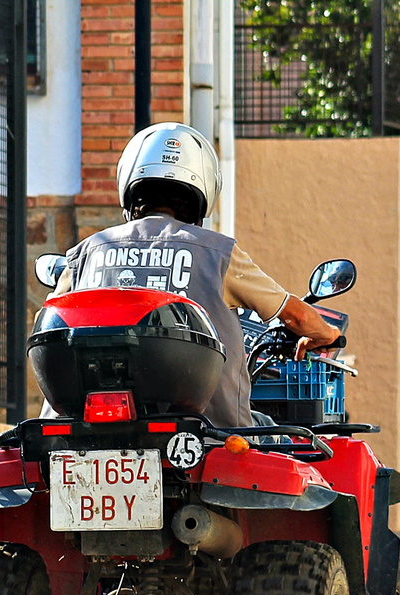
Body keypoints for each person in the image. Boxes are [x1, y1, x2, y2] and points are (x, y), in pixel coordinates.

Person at [47, 122, 342, 427]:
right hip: (211, 430)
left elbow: (49, 329)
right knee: (277, 435)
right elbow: (295, 317)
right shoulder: (218, 253)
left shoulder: (87, 252)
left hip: (78, 425)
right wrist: (327, 335)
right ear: (202, 192)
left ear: (130, 185)